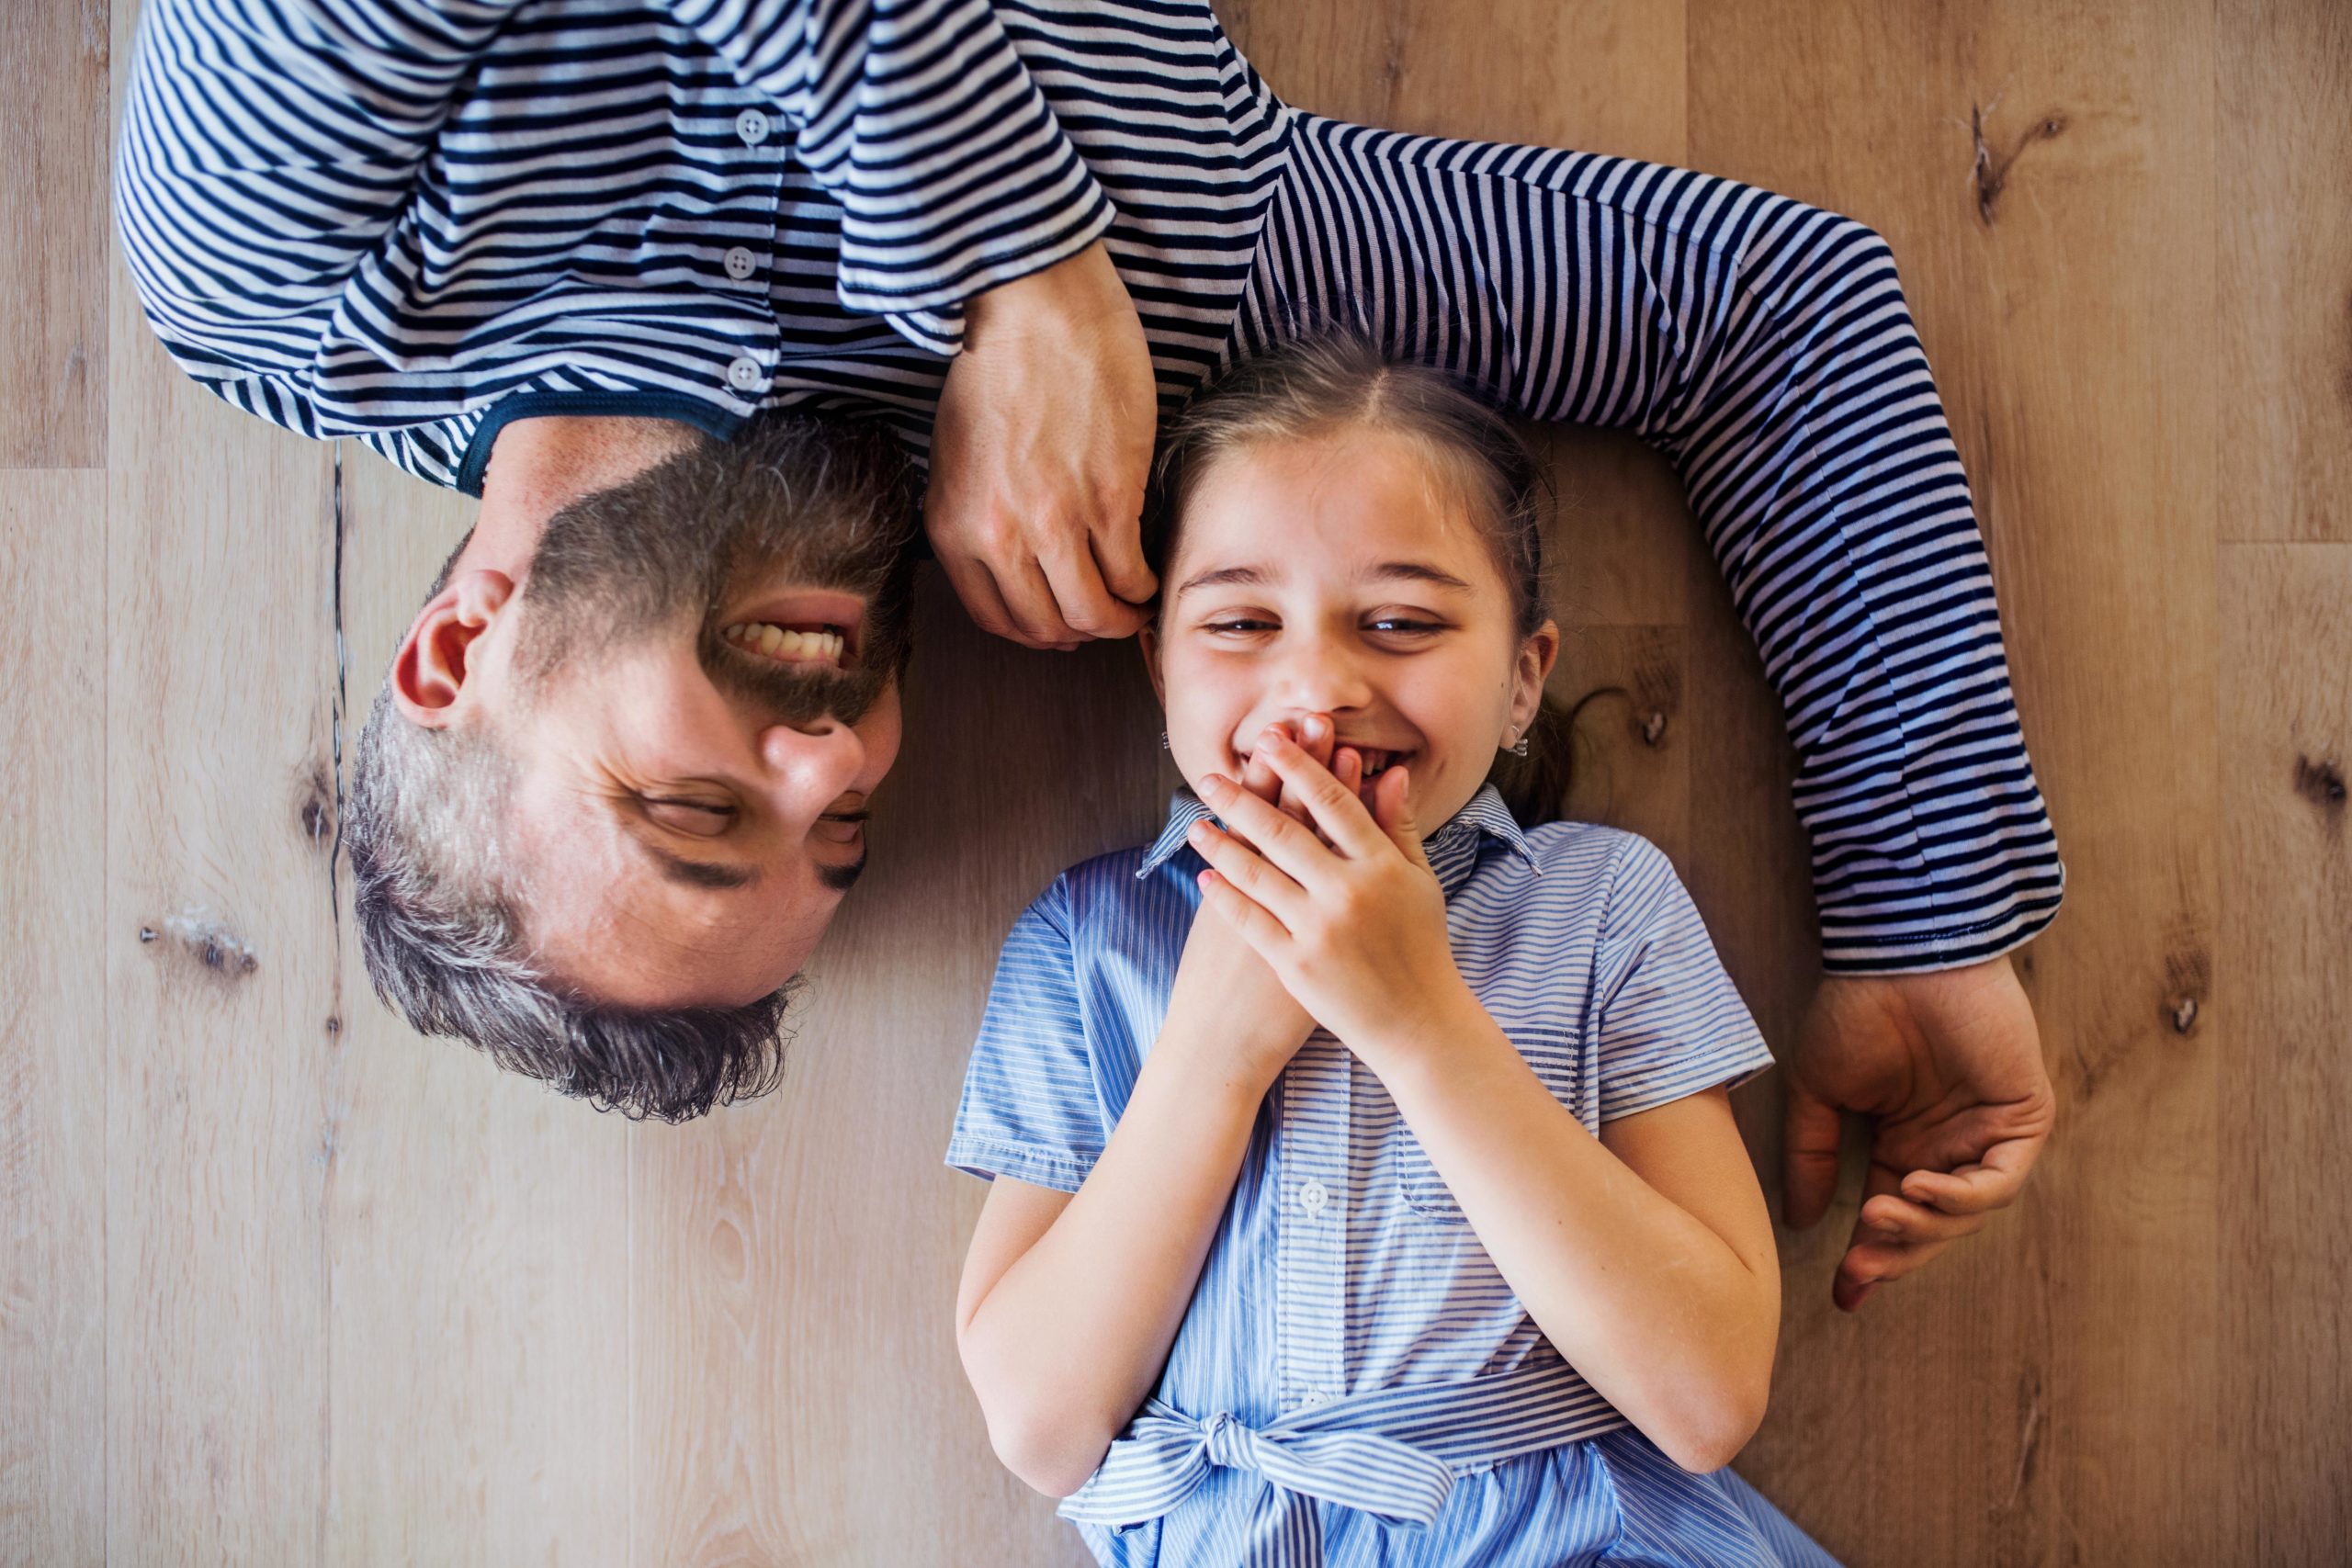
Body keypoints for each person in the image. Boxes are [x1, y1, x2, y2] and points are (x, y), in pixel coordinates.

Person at [117, 0, 2059, 1304]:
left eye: (693, 801)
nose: (835, 757)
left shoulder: (287, 281)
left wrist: (1010, 262)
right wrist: (1925, 916)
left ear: (457, 643)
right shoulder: (1202, 317)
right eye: (845, 835)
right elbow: (1760, 311)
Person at [952, 337, 1840, 1564]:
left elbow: (1707, 1399)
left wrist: (1419, 1019)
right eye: (1242, 619)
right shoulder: (1083, 945)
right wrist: (1213, 1051)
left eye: (1402, 621)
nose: (1315, 691)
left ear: (1524, 680)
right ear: (1158, 666)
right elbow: (1043, 1432)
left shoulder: (1603, 907)